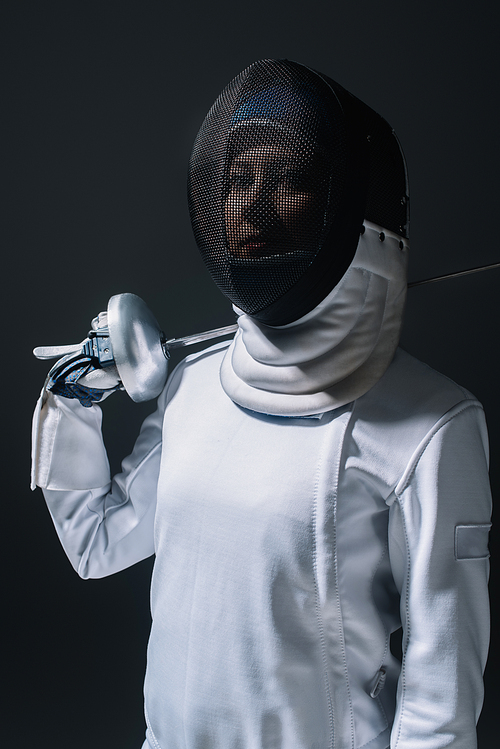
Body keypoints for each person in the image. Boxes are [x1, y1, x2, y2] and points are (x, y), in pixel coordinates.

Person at [32, 59, 491, 749]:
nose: (252, 203)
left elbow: (440, 703)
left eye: (289, 179)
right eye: (241, 179)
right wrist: (74, 394)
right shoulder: (193, 386)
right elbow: (97, 543)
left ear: (356, 206)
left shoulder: (431, 429)